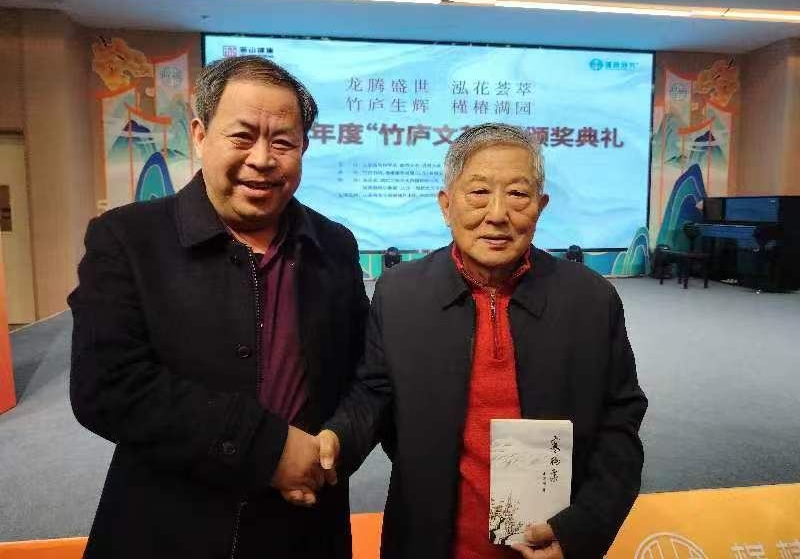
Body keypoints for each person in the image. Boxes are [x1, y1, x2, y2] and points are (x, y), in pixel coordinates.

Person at [68, 55, 368, 559]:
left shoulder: (333, 245)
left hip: (305, 521)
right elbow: (107, 386)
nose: (262, 159)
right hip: (170, 523)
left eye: (283, 142)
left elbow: (363, 372)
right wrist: (268, 449)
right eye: (242, 136)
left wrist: (337, 444)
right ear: (201, 135)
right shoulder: (128, 238)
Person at [321, 123, 648, 559]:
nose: (497, 214)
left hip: (547, 544)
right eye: (478, 192)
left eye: (517, 194)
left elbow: (620, 422)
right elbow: (374, 393)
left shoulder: (590, 300)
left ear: (541, 206)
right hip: (424, 540)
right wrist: (336, 439)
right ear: (446, 204)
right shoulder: (400, 294)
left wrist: (583, 528)